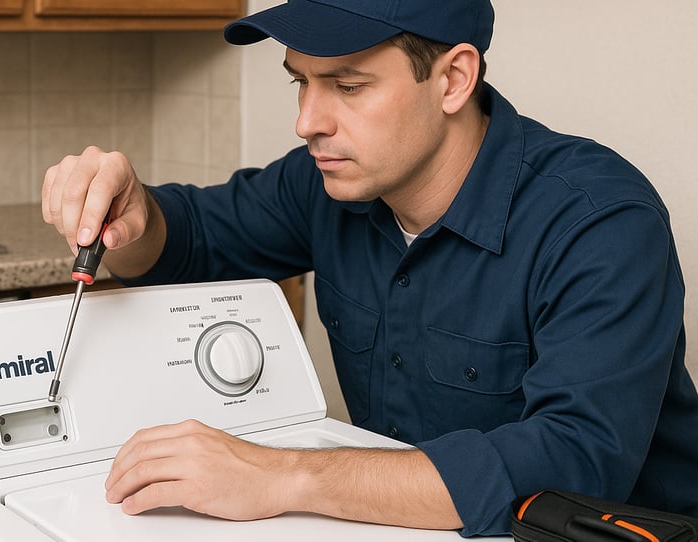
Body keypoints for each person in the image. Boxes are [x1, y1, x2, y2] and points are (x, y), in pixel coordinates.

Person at [41, 0, 698, 536]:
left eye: (348, 86)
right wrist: (129, 217)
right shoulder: (326, 184)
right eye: (301, 82)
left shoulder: (599, 219)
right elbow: (188, 242)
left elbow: (574, 461)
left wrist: (280, 476)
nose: (306, 122)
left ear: (453, 79)